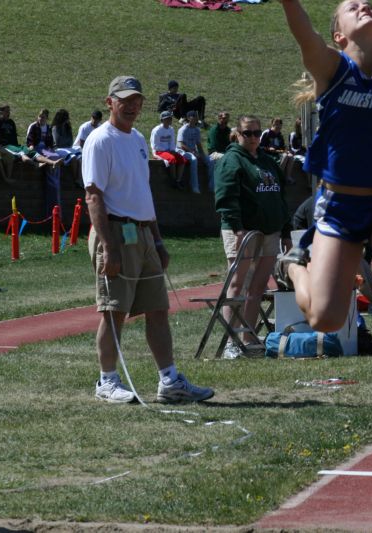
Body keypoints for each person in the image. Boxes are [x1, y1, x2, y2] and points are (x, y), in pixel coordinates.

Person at [274, 0, 372, 364]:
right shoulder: (331, 68)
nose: (365, 7)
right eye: (352, 6)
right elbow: (303, 33)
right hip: (340, 208)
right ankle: (293, 266)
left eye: (370, 5)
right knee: (324, 319)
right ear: (338, 35)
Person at [83, 74, 214, 403]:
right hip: (115, 232)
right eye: (124, 100)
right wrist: (108, 247)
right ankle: (107, 380)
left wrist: (157, 240)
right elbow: (93, 196)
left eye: (137, 100)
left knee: (157, 308)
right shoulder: (100, 140)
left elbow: (144, 194)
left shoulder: (139, 139)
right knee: (114, 311)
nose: (132, 106)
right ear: (109, 102)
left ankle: (169, 380)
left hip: (142, 232)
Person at [215, 115, 292, 359]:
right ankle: (231, 340)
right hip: (243, 230)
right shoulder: (231, 160)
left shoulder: (268, 161)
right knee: (238, 284)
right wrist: (238, 229)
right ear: (237, 134)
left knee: (258, 286)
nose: (253, 138)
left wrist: (287, 231)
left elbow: (280, 198)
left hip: (269, 230)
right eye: (248, 133)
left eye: (257, 133)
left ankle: (247, 336)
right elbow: (226, 197)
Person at [27, 108, 65, 211]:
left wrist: (51, 149)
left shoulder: (48, 128)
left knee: (55, 155)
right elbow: (29, 140)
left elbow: (50, 142)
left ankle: (54, 165)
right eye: (40, 116)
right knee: (47, 155)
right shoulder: (34, 126)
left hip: (45, 149)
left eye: (43, 117)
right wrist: (31, 146)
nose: (41, 119)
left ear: (46, 118)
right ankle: (50, 164)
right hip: (36, 148)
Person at [177, 110, 213, 193]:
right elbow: (181, 145)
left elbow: (198, 144)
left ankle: (211, 186)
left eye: (197, 116)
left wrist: (203, 155)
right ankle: (194, 187)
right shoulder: (183, 129)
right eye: (195, 116)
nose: (197, 118)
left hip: (193, 151)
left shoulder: (197, 130)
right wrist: (193, 153)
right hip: (182, 151)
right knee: (193, 159)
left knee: (210, 161)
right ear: (189, 118)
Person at [150, 110, 187, 189]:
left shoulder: (171, 129)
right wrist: (165, 151)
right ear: (162, 120)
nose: (169, 120)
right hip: (160, 151)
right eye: (166, 119)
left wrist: (172, 150)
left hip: (169, 150)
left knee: (182, 159)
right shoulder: (157, 130)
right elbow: (155, 145)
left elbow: (172, 142)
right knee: (172, 159)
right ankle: (173, 180)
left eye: (170, 118)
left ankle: (178, 180)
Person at [51, 108, 83, 186]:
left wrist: (67, 142)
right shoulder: (55, 128)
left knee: (81, 157)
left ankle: (81, 178)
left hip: (68, 147)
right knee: (73, 158)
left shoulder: (68, 127)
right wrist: (62, 128)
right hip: (59, 149)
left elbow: (70, 141)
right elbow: (58, 142)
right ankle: (75, 179)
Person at [259, 117, 296, 181]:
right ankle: (278, 176)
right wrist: (268, 148)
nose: (277, 126)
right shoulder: (266, 133)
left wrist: (287, 151)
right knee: (285, 156)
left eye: (279, 125)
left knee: (291, 157)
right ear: (272, 124)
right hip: (267, 154)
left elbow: (282, 147)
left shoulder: (280, 136)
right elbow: (259, 146)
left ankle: (288, 177)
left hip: (277, 154)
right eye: (275, 124)